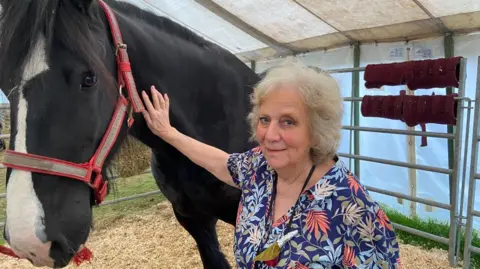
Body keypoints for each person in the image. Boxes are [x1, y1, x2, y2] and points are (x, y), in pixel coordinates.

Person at [140, 59, 402, 269]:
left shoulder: (353, 210)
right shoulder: (260, 167)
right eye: (265, 119)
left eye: (288, 121)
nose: (270, 135)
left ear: (317, 129)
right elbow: (221, 163)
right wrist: (168, 133)